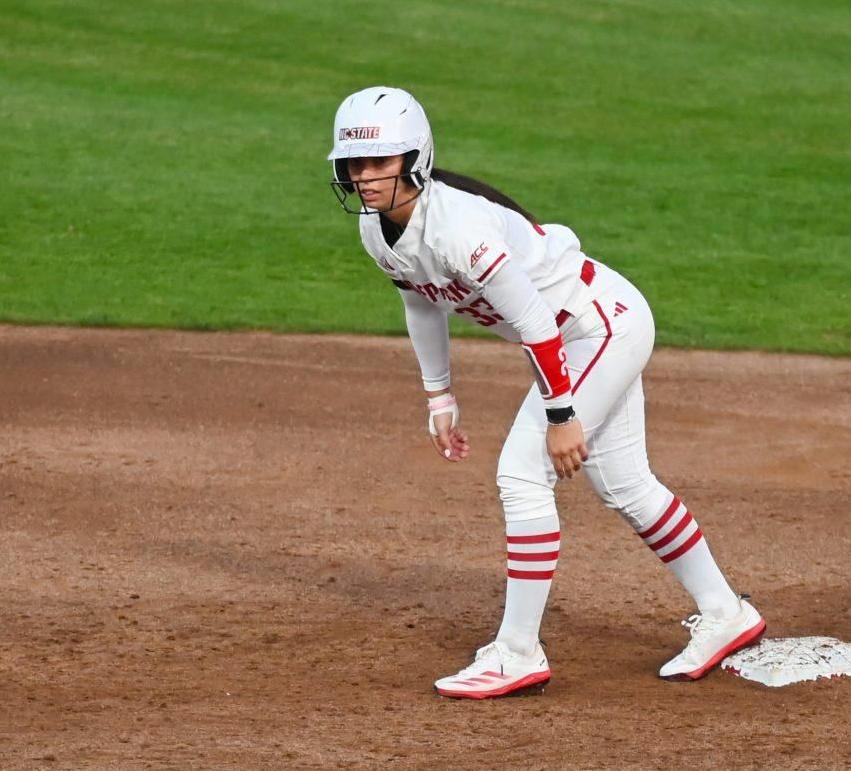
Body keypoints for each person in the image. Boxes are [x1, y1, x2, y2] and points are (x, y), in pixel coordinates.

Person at [327, 86, 766, 699]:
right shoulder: (377, 231)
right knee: (624, 484)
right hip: (583, 334)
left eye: (379, 162)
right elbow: (420, 303)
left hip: (597, 326)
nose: (364, 177)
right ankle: (725, 612)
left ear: (414, 158)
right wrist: (439, 396)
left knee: (522, 473)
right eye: (354, 164)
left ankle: (516, 652)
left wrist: (562, 415)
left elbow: (536, 324)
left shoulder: (459, 228)